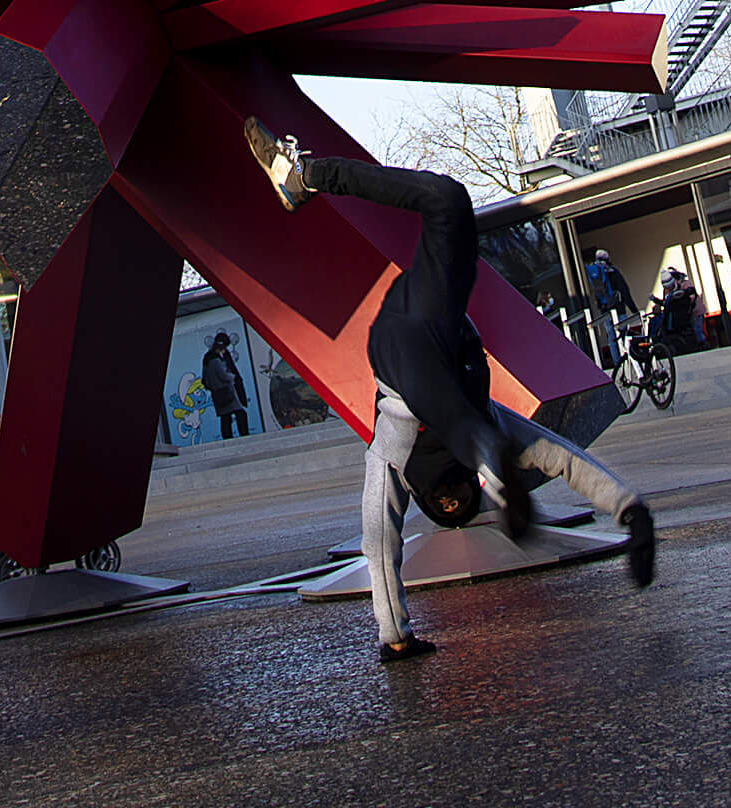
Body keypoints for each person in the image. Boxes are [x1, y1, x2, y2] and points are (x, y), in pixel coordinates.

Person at [243, 120, 655, 663]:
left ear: (430, 497)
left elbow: (379, 541)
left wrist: (395, 637)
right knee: (447, 206)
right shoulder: (446, 444)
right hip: (436, 344)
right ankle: (307, 177)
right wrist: (630, 510)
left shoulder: (401, 456)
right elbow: (567, 461)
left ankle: (307, 177)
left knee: (447, 207)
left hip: (420, 362)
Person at [202, 331, 252, 439]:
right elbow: (225, 374)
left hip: (218, 394)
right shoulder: (216, 360)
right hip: (226, 391)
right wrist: (232, 377)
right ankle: (245, 436)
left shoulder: (207, 359)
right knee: (240, 413)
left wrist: (214, 387)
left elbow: (205, 380)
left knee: (225, 417)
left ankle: (228, 439)